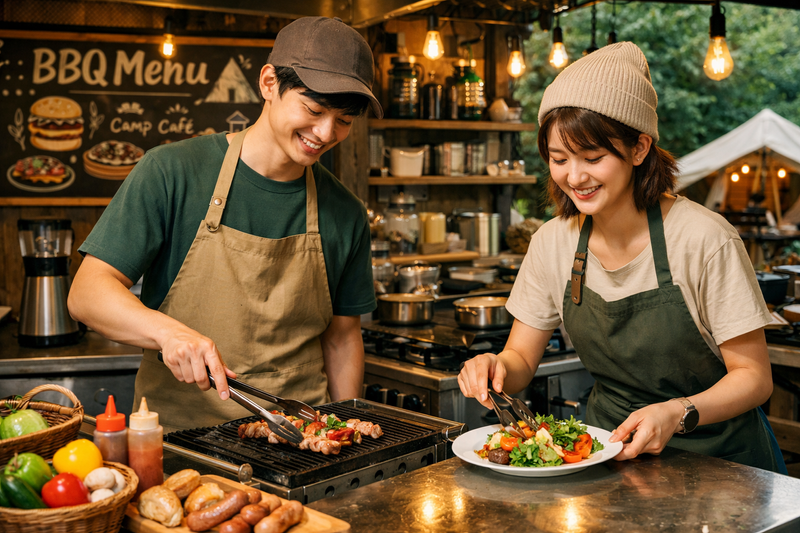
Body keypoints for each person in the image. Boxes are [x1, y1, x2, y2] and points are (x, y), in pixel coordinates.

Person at [457, 42, 786, 473]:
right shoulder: (552, 243)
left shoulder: (704, 238)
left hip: (723, 463)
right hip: (610, 456)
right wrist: (494, 366)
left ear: (639, 148)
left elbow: (755, 378)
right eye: (559, 159)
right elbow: (520, 360)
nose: (574, 177)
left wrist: (677, 411)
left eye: (593, 158)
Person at [68, 17, 383, 432]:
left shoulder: (344, 211)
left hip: (297, 446)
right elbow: (88, 294)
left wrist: (342, 435)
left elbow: (342, 339)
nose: (325, 133)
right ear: (269, 83)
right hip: (183, 448)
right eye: (313, 109)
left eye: (344, 120)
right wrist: (168, 334)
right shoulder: (172, 171)